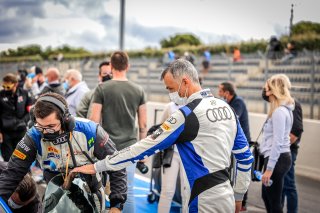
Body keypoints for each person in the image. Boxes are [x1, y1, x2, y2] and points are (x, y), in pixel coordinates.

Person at [73, 58, 253, 213]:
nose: (170, 94)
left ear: (185, 82)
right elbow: (245, 157)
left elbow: (142, 148)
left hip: (204, 198)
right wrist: (238, 195)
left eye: (170, 88)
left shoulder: (187, 114)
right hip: (226, 193)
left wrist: (98, 166)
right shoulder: (226, 108)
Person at [0, 93, 127, 213]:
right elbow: (13, 173)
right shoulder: (32, 137)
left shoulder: (90, 131)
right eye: (40, 126)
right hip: (55, 191)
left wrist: (117, 205)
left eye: (51, 126)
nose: (45, 132)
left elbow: (117, 165)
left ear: (66, 120)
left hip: (91, 192)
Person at [89, 51, 147, 213]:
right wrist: (143, 152)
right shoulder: (138, 90)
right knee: (127, 190)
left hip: (105, 146)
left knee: (98, 188)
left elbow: (94, 121)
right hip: (130, 147)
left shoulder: (101, 89)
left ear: (111, 66)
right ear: (128, 66)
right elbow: (143, 124)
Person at [260, 74, 294, 213]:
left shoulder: (280, 112)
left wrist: (269, 168)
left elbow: (278, 141)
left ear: (274, 91)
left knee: (274, 202)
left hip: (278, 159)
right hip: (279, 158)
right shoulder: (282, 110)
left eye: (267, 90)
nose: (266, 93)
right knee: (268, 197)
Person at [218, 81, 251, 211]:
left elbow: (230, 120)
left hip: (241, 143)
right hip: (232, 143)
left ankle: (242, 203)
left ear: (227, 92)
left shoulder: (238, 102)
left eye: (220, 91)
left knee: (241, 172)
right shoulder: (229, 103)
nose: (219, 93)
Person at [0, 73, 33, 162]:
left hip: (21, 130)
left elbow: (30, 111)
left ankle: (26, 175)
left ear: (15, 84)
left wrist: (22, 122)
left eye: (8, 86)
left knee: (23, 156)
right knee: (8, 158)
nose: (5, 88)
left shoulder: (25, 93)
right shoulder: (1, 95)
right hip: (6, 132)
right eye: (4, 85)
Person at [158, 102, 183, 213]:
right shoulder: (169, 107)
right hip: (172, 154)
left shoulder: (196, 105)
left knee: (187, 192)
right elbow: (160, 128)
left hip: (190, 156)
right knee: (167, 191)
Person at [282, 99, 303, 213]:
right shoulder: (279, 103)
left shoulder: (293, 103)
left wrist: (282, 147)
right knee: (279, 185)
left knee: (289, 185)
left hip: (288, 151)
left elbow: (297, 129)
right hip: (282, 151)